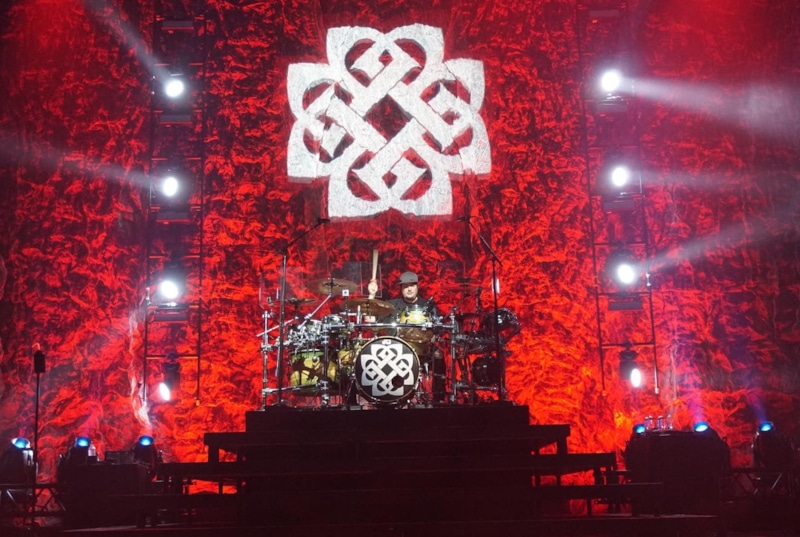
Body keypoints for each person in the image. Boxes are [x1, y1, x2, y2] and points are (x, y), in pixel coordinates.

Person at [367, 271, 445, 402]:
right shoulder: (391, 305)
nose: (409, 289)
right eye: (405, 286)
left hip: (422, 350)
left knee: (439, 357)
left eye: (412, 285)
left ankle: (438, 399)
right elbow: (369, 319)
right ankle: (390, 397)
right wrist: (371, 294)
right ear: (401, 288)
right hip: (396, 352)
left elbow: (439, 329)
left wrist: (433, 337)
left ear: (417, 287)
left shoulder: (428, 306)